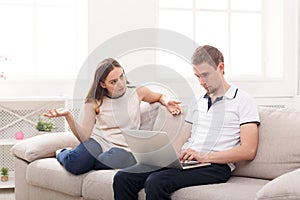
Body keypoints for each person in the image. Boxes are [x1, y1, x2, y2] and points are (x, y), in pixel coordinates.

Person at [113, 45, 260, 200]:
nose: (202, 82)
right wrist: (168, 157)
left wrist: (204, 156)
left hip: (215, 166)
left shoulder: (243, 100)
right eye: (197, 76)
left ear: (221, 67)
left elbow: (248, 151)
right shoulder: (197, 100)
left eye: (205, 75)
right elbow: (182, 138)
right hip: (189, 162)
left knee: (156, 182)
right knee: (124, 177)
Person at [43, 58, 182, 175]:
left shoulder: (137, 91)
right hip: (98, 142)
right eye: (113, 81)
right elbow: (84, 137)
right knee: (75, 164)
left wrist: (167, 101)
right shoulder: (94, 101)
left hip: (124, 149)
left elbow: (159, 96)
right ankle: (63, 152)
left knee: (108, 159)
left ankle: (91, 160)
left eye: (121, 76)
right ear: (103, 84)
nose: (120, 84)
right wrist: (68, 115)